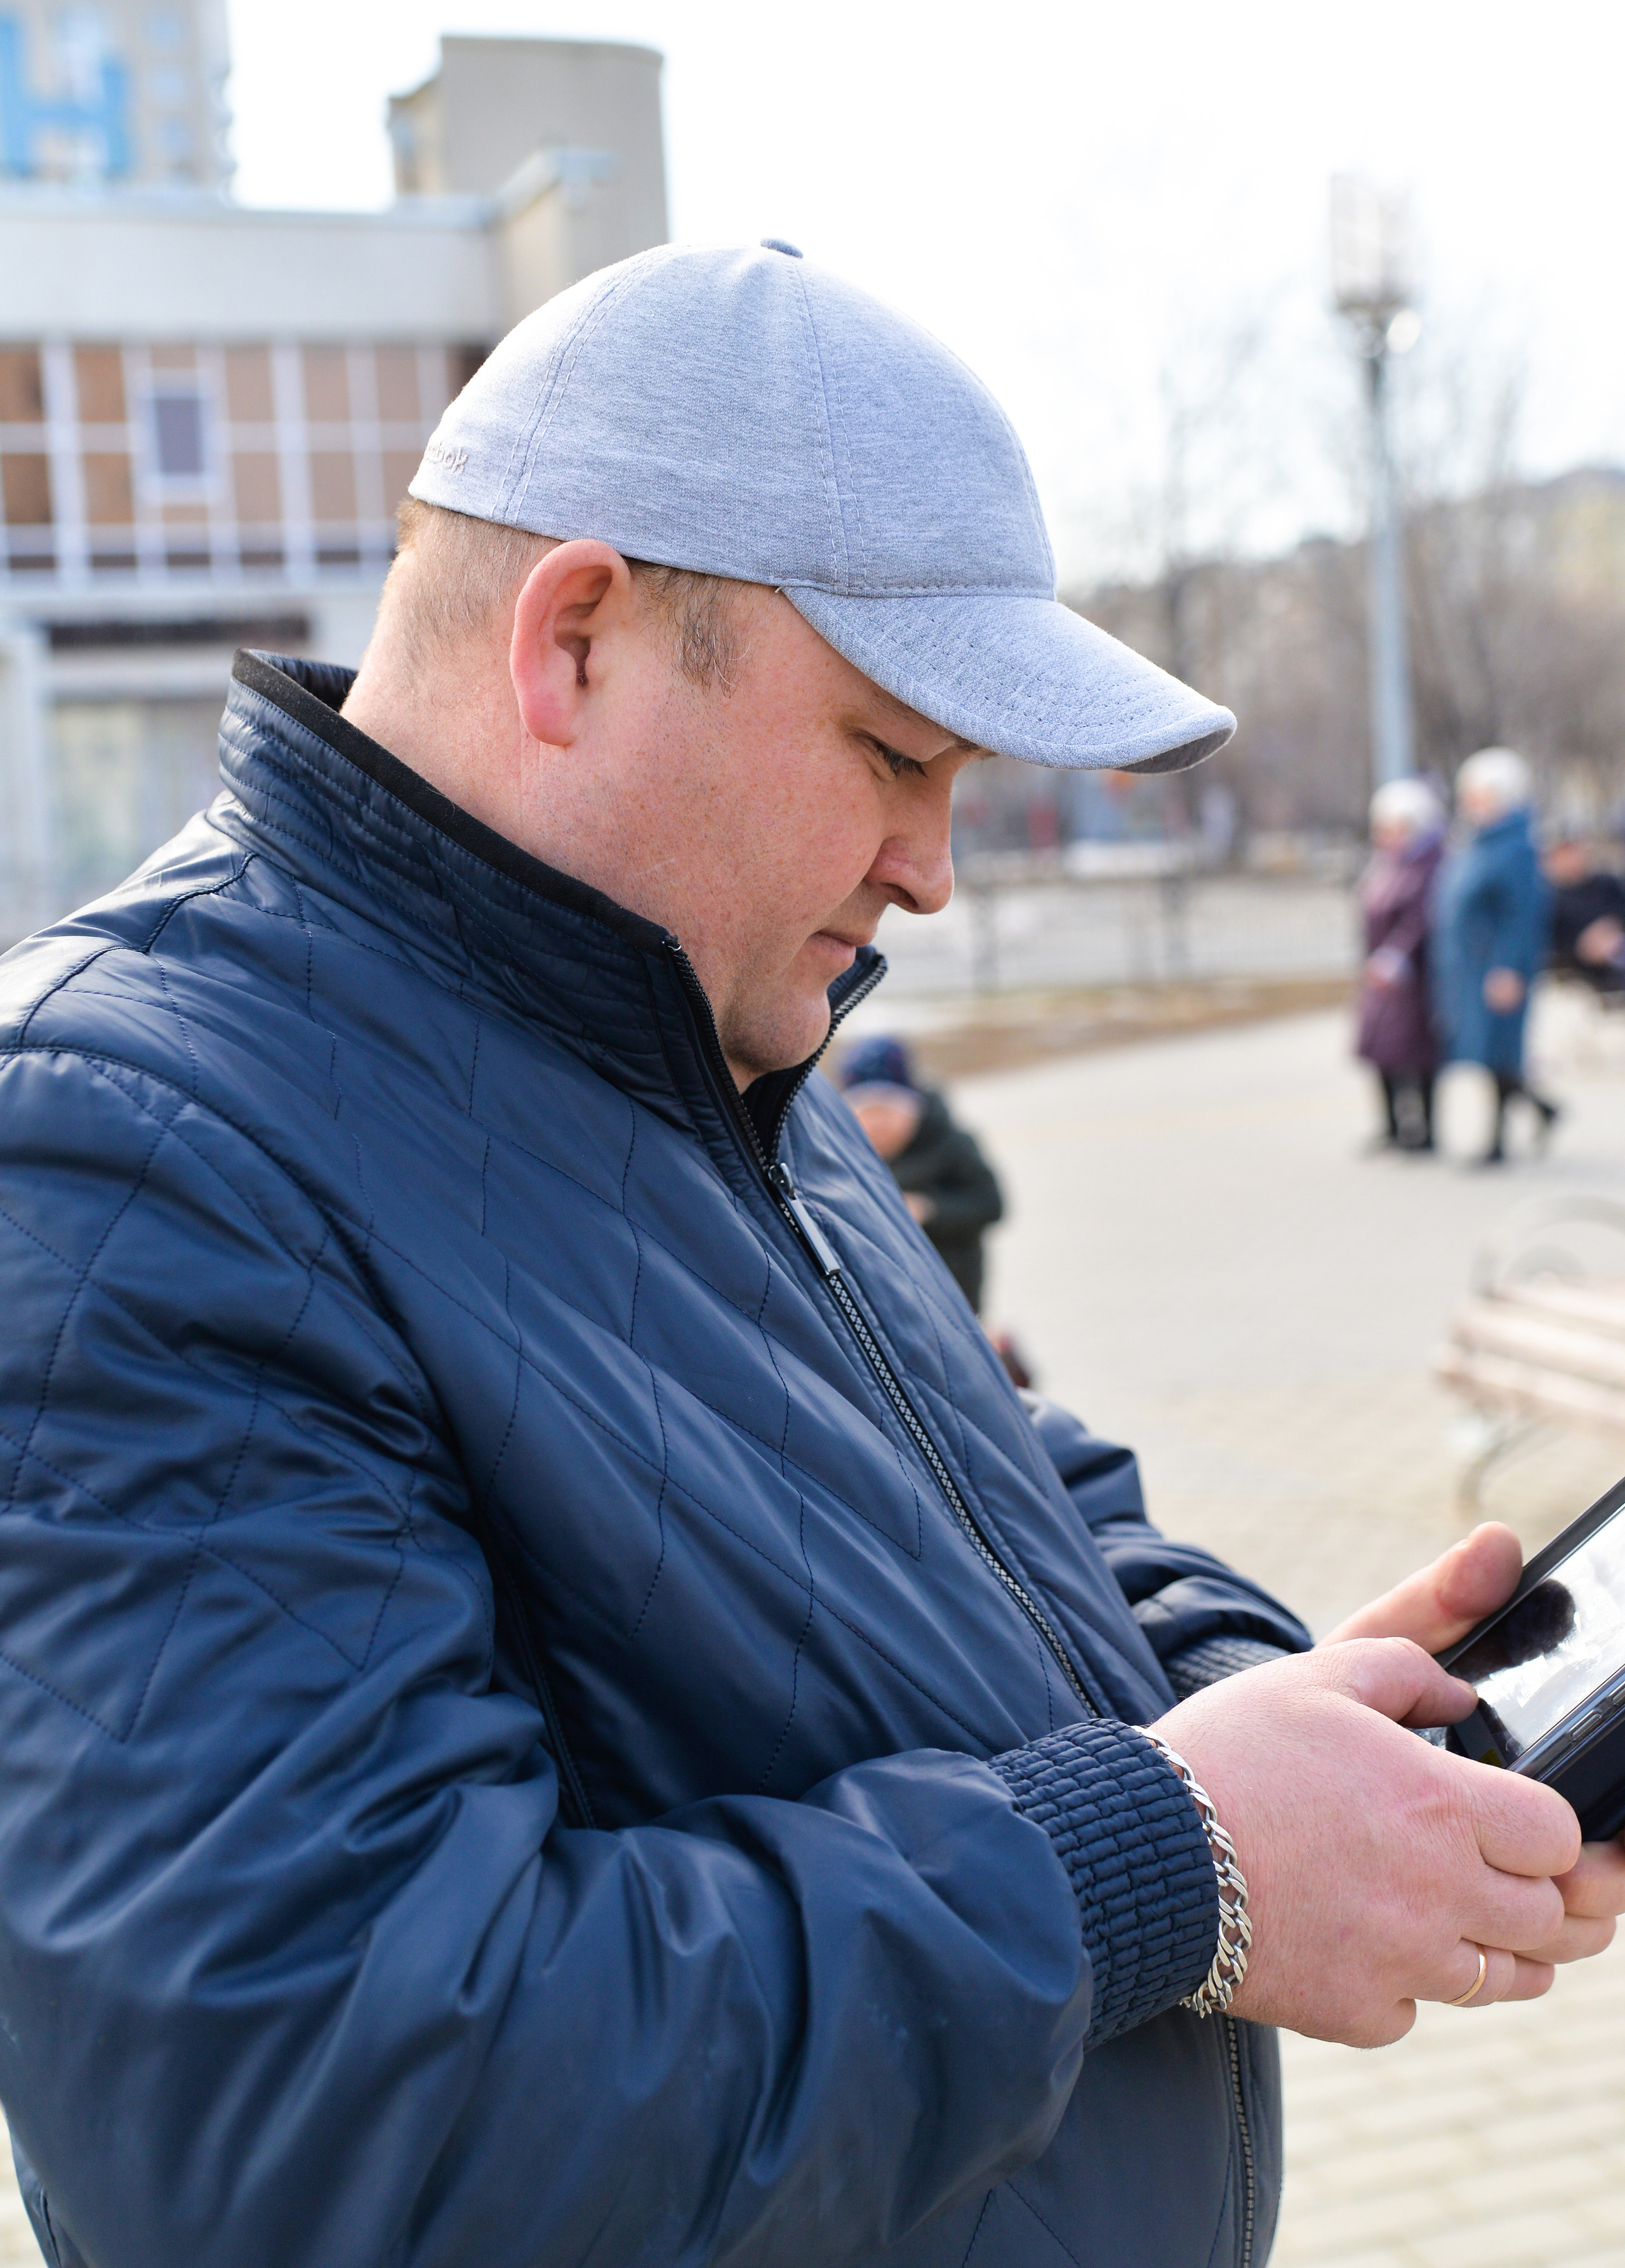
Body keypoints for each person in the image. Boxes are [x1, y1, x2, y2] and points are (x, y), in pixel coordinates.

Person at [1, 244, 1621, 2268]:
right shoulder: (132, 1151)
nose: (931, 868)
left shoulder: (696, 1001)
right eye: (891, 753)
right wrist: (1169, 1855)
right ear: (574, 636)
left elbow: (995, 1499)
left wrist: (1270, 1700)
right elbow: (317, 2130)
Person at [1433, 747, 1558, 1164]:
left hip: (1497, 967)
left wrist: (1508, 967)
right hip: (1472, 967)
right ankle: (1542, 1111)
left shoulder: (1516, 848)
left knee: (1499, 1051)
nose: (1470, 802)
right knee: (1485, 1052)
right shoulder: (1479, 841)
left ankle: (1498, 1141)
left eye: (1479, 794)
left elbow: (1521, 916)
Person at [841, 1035, 1004, 1310]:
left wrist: (929, 1210)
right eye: (868, 1112)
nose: (879, 1125)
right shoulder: (846, 1154)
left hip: (953, 1291)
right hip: (887, 1298)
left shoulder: (950, 1143)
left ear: (913, 1107)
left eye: (889, 1111)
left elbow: (992, 1205)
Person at [1355, 777, 1446, 1153]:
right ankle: (1393, 1126)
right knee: (1382, 1053)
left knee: (1417, 1055)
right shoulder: (1387, 865)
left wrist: (1396, 959)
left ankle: (1423, 1130)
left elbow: (1419, 921)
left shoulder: (1428, 867)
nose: (1386, 835)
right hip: (1380, 978)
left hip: (1414, 979)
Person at [1544, 830, 1625, 997]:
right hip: (1584, 977)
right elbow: (1549, 943)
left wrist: (1611, 928)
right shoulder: (1551, 900)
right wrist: (1584, 947)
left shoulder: (1607, 884)